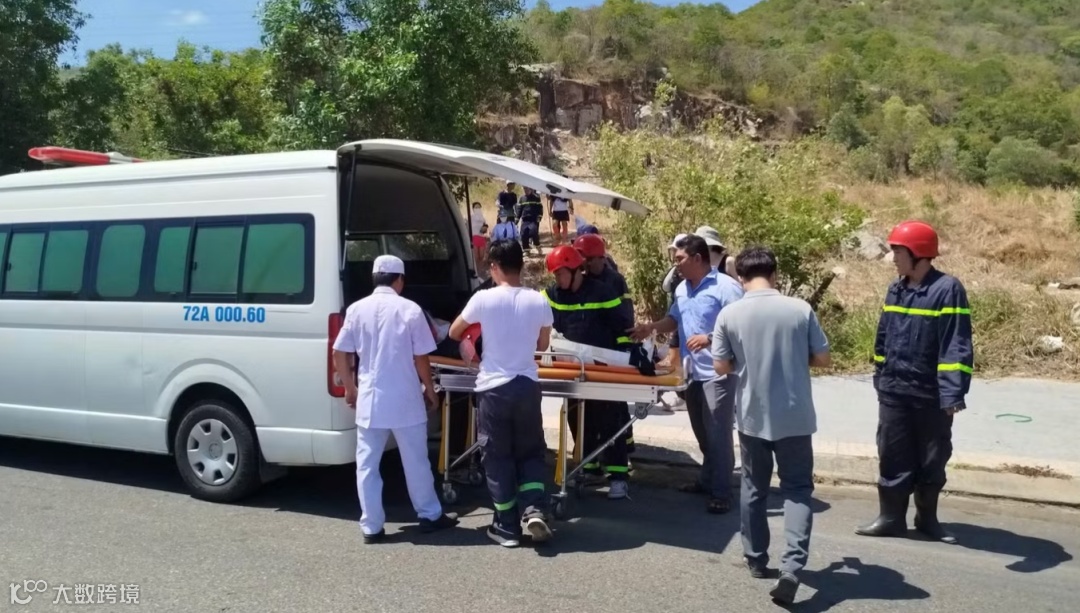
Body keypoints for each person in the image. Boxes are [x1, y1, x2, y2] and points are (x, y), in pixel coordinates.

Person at [711, 246, 832, 605]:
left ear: (740, 277)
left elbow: (720, 366)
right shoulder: (800, 309)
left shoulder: (730, 314)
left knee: (754, 488)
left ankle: (756, 558)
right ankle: (792, 567)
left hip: (753, 415)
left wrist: (745, 362)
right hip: (795, 416)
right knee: (797, 490)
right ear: (775, 274)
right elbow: (823, 358)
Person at [855, 220, 973, 545]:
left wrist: (952, 393)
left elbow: (956, 344)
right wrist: (880, 376)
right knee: (892, 454)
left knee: (932, 458)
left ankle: (927, 519)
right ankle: (891, 518)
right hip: (894, 391)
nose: (893, 259)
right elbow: (882, 335)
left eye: (898, 252)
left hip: (931, 395)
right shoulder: (896, 289)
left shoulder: (947, 289)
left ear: (918, 254)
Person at [331, 255, 460, 543]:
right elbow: (421, 357)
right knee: (416, 461)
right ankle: (429, 515)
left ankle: (372, 527)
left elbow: (339, 352)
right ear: (399, 280)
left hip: (370, 400)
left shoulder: (356, 309)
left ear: (374, 278)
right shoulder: (410, 310)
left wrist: (350, 388)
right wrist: (429, 389)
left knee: (367, 465)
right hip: (405, 399)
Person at [448, 240, 556, 548]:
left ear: (494, 267)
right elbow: (543, 345)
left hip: (494, 388)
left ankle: (506, 526)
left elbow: (455, 331)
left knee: (497, 456)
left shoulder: (483, 299)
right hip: (527, 385)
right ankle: (534, 509)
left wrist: (471, 341)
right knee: (531, 451)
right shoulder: (538, 301)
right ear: (520, 265)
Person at [628, 234, 744, 514]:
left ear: (697, 258)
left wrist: (709, 338)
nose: (675, 264)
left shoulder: (726, 287)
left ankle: (721, 492)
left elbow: (741, 325)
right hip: (690, 373)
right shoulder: (681, 289)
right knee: (702, 433)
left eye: (679, 259)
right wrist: (650, 328)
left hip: (719, 372)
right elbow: (674, 320)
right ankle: (708, 480)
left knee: (718, 435)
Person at [543, 245, 634, 499]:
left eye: (561, 273)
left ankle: (618, 477)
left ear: (576, 270)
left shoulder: (602, 292)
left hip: (603, 370)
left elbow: (622, 329)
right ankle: (589, 468)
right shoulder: (553, 295)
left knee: (610, 421)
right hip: (572, 370)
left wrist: (622, 361)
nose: (557, 279)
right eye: (555, 275)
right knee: (578, 420)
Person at [574, 232, 637, 452]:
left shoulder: (614, 281)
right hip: (590, 355)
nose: (584, 265)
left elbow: (625, 319)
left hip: (611, 352)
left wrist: (621, 351)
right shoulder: (583, 281)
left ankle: (625, 447)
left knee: (615, 406)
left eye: (587, 260)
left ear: (600, 259)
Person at [517, 186, 545, 254]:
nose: (525, 190)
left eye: (527, 188)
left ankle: (538, 246)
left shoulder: (536, 198)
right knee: (524, 234)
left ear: (530, 189)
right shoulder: (522, 198)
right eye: (524, 189)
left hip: (533, 219)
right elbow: (519, 210)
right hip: (525, 219)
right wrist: (517, 218)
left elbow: (540, 209)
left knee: (533, 232)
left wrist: (539, 217)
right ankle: (526, 250)